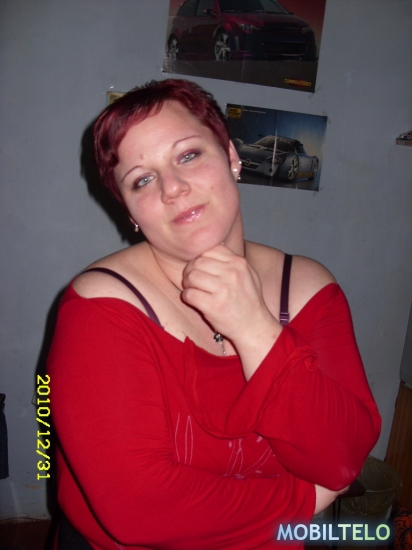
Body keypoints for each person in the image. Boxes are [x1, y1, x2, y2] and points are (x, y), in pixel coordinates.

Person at [48, 79, 381, 549]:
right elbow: (138, 509)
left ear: (231, 157)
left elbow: (342, 457)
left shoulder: (308, 290)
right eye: (142, 180)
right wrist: (305, 500)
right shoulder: (101, 307)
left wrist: (255, 328)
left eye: (188, 155)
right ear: (130, 212)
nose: (173, 188)